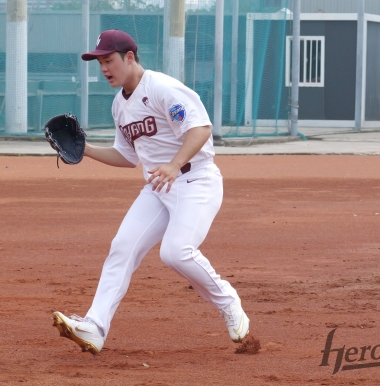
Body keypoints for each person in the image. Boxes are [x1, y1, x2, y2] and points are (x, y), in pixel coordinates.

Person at [52, 29, 249, 355]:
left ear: (130, 57)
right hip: (158, 188)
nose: (104, 68)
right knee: (122, 247)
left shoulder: (162, 88)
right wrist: (86, 150)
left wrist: (174, 164)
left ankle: (228, 302)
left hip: (196, 181)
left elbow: (200, 128)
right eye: (99, 62)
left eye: (108, 60)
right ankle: (95, 327)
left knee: (175, 252)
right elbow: (128, 157)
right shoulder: (119, 106)